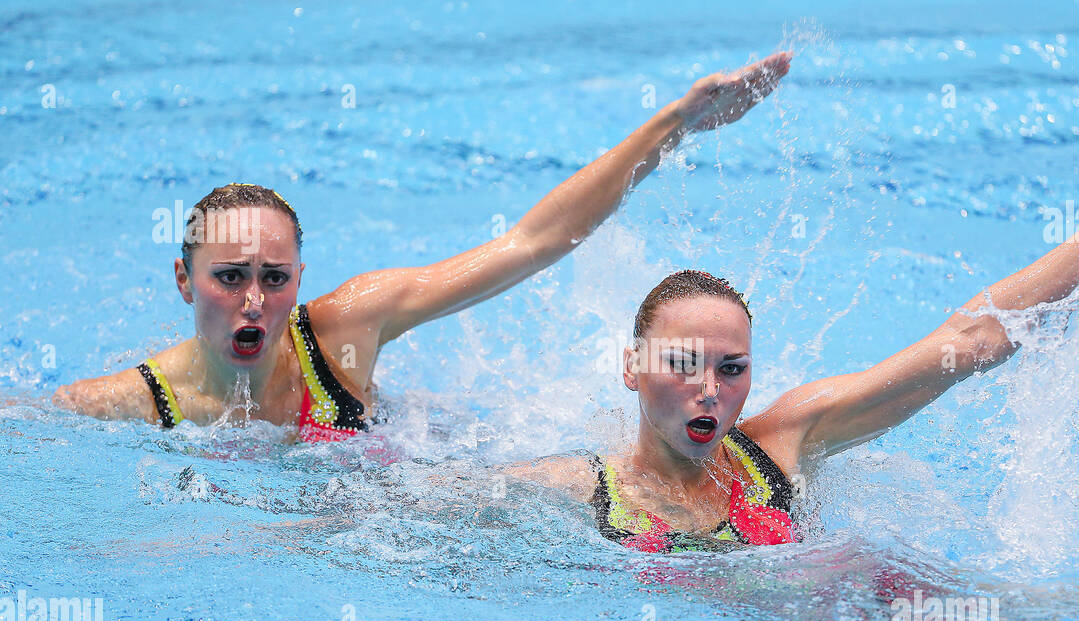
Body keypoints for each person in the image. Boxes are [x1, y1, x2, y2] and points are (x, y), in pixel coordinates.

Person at [508, 139, 1079, 553]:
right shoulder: (578, 490)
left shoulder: (783, 443)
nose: (710, 391)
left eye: (732, 369)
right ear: (631, 368)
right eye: (683, 365)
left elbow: (967, 340)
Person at [51, 52, 793, 441]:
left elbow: (531, 242)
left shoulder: (346, 327)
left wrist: (672, 128)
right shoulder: (127, 405)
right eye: (229, 277)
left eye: (275, 277)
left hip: (413, 454)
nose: (255, 301)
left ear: (302, 276)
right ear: (183, 280)